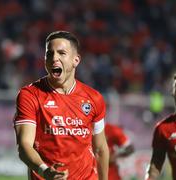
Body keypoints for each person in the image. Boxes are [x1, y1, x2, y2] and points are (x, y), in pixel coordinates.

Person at [13, 31, 109, 180]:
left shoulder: (94, 98)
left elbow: (101, 148)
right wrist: (45, 171)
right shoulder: (30, 95)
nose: (54, 58)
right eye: (49, 54)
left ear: (75, 60)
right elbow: (24, 146)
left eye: (61, 53)